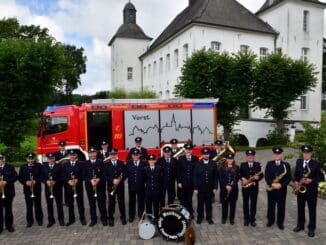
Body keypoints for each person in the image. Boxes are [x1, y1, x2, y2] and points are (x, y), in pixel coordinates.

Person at [293, 145, 321, 237]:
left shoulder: (316, 163)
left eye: (308, 153)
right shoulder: (299, 161)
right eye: (304, 153)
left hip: (311, 191)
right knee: (300, 208)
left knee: (311, 210)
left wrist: (311, 180)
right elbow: (296, 174)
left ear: (311, 154)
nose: (306, 155)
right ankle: (300, 225)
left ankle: (311, 228)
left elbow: (320, 177)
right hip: (301, 189)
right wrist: (296, 181)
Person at [265, 147, 291, 230]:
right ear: (274, 155)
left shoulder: (286, 165)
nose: (277, 155)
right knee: (271, 205)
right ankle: (270, 220)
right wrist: (272, 183)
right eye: (276, 154)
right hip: (271, 188)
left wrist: (281, 185)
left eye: (279, 154)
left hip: (281, 190)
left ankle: (280, 222)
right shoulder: (269, 163)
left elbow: (288, 178)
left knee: (281, 206)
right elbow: (266, 176)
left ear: (281, 155)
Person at [18, 152, 43, 227]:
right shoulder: (23, 167)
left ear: (34, 159)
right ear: (26, 159)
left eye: (32, 158)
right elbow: (20, 178)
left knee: (38, 204)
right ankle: (29, 221)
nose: (31, 160)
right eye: (29, 159)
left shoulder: (39, 166)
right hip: (27, 189)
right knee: (29, 205)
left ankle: (39, 219)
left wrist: (36, 180)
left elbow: (42, 175)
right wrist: (25, 182)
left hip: (37, 188)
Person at [84, 147, 108, 227]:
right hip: (90, 187)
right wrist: (90, 180)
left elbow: (104, 173)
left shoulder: (101, 162)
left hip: (100, 187)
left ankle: (104, 219)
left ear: (96, 153)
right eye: (90, 153)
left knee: (102, 203)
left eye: (94, 153)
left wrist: (99, 179)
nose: (92, 154)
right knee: (92, 204)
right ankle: (93, 220)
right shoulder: (85, 163)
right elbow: (84, 175)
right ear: (88, 154)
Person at [193, 148, 218, 224]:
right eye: (204, 154)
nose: (206, 155)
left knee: (209, 204)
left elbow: (215, 176)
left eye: (207, 154)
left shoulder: (213, 163)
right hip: (200, 188)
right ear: (202, 155)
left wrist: (215, 187)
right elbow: (195, 176)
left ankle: (209, 218)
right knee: (200, 204)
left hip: (210, 188)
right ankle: (200, 217)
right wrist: (195, 188)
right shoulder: (198, 163)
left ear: (209, 154)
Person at [240, 149, 263, 227]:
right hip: (245, 187)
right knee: (245, 203)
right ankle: (246, 219)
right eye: (249, 156)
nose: (250, 157)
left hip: (254, 188)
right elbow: (239, 174)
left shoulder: (258, 165)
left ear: (254, 156)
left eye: (251, 156)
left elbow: (261, 175)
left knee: (253, 203)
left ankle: (252, 219)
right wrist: (242, 178)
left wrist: (258, 178)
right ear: (246, 157)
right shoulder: (242, 165)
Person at [62, 149, 86, 226]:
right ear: (68, 156)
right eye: (70, 155)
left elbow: (83, 175)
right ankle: (71, 219)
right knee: (70, 203)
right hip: (69, 187)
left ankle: (82, 218)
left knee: (80, 203)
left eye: (73, 155)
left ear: (76, 156)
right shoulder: (65, 165)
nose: (72, 156)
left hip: (78, 187)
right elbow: (63, 176)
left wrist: (77, 179)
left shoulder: (81, 164)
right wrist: (68, 181)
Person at [104, 148, 127, 226]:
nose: (113, 156)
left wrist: (120, 179)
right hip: (111, 187)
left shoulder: (121, 163)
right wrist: (112, 180)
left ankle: (123, 217)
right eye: (112, 154)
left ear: (117, 154)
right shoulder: (106, 164)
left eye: (114, 154)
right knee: (111, 202)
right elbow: (104, 175)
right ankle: (110, 218)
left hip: (120, 186)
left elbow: (125, 173)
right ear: (109, 155)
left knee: (121, 202)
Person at [41, 152, 65, 227]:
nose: (51, 160)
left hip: (57, 188)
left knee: (59, 204)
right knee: (49, 205)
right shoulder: (44, 166)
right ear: (47, 159)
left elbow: (62, 176)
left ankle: (61, 220)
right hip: (48, 189)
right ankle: (51, 220)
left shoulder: (59, 166)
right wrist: (46, 181)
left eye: (52, 158)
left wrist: (55, 181)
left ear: (55, 159)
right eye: (49, 159)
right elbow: (41, 177)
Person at [177, 143, 198, 219]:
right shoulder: (181, 158)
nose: (188, 151)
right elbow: (178, 171)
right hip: (183, 182)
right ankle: (183, 212)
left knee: (189, 198)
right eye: (187, 150)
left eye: (190, 150)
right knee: (183, 198)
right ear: (185, 150)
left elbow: (196, 171)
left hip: (191, 182)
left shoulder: (195, 158)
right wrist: (179, 182)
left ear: (192, 150)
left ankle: (190, 212)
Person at [126, 149, 146, 222]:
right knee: (132, 201)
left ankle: (141, 214)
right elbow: (126, 174)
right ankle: (131, 215)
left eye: (137, 155)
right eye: (134, 155)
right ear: (132, 156)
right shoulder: (128, 163)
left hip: (141, 186)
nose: (135, 156)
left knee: (141, 201)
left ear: (139, 155)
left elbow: (146, 174)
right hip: (131, 186)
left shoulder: (144, 163)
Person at [219, 153, 240, 225]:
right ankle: (224, 217)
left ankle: (231, 218)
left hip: (233, 190)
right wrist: (226, 185)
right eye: (228, 159)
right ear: (226, 159)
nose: (230, 160)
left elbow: (237, 178)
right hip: (224, 189)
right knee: (224, 204)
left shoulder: (237, 167)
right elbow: (221, 178)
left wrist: (232, 185)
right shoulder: (222, 168)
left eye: (231, 159)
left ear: (233, 159)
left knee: (233, 205)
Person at [0, 153, 18, 233]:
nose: (1, 160)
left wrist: (6, 182)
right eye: (0, 158)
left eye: (2, 158)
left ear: (5, 158)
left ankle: (9, 226)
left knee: (8, 210)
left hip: (8, 192)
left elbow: (15, 177)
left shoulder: (10, 167)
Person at [144, 154, 163, 220]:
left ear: (155, 161)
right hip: (148, 190)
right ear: (148, 161)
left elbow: (161, 179)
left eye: (153, 160)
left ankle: (156, 216)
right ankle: (149, 216)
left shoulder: (159, 168)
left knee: (156, 204)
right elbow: (144, 179)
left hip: (156, 189)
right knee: (148, 204)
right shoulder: (145, 169)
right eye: (150, 160)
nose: (151, 162)